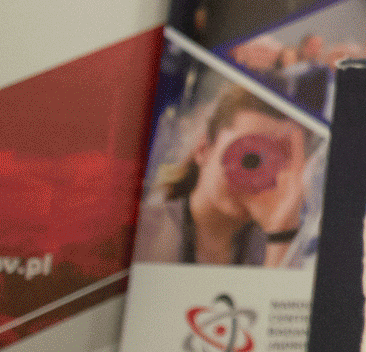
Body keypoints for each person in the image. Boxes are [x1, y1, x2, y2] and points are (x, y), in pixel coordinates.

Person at [130, 83, 316, 267]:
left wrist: (281, 235)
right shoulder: (140, 232)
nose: (255, 181)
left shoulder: (281, 243)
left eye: (276, 164)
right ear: (203, 149)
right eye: (249, 158)